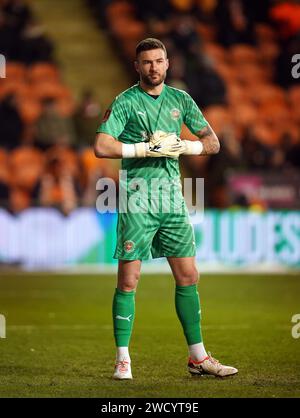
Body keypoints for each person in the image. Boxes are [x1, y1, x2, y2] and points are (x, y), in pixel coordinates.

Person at [94, 38, 238, 379]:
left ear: (168, 64)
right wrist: (144, 149)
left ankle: (198, 358)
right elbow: (101, 146)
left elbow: (213, 142)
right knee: (129, 280)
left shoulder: (181, 100)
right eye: (146, 62)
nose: (153, 67)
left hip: (172, 199)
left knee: (188, 276)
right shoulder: (125, 102)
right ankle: (123, 359)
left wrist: (182, 145)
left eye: (158, 61)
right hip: (138, 199)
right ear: (137, 67)